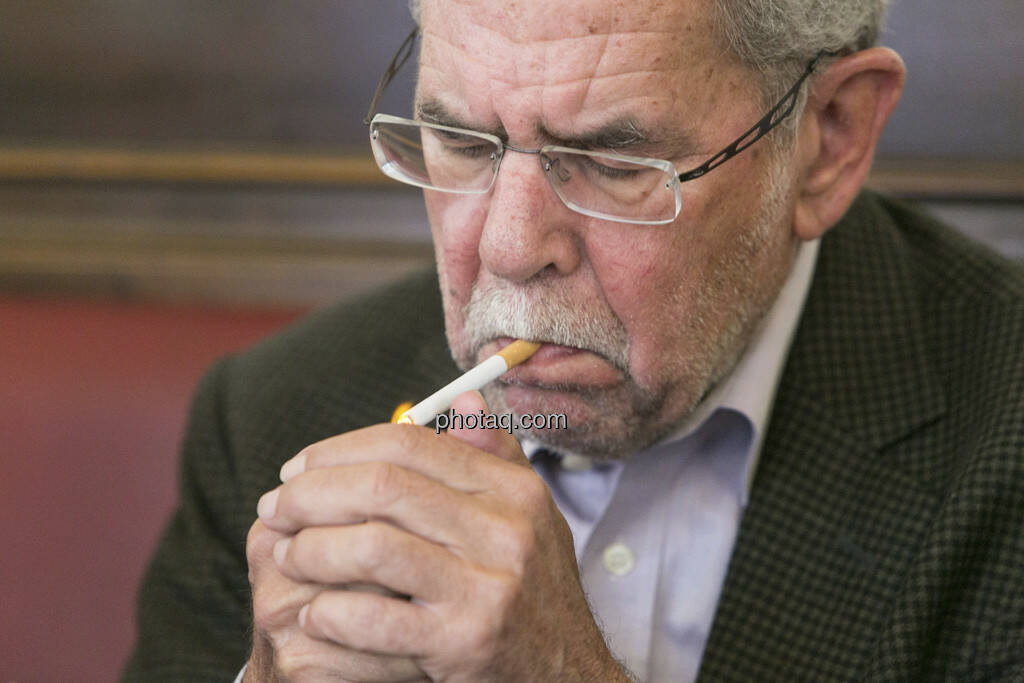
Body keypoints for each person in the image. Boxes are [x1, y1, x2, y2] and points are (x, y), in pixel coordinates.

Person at [122, 0, 1024, 681]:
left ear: (829, 139)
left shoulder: (1004, 444)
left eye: (611, 161)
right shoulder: (273, 411)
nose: (510, 249)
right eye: (462, 141)